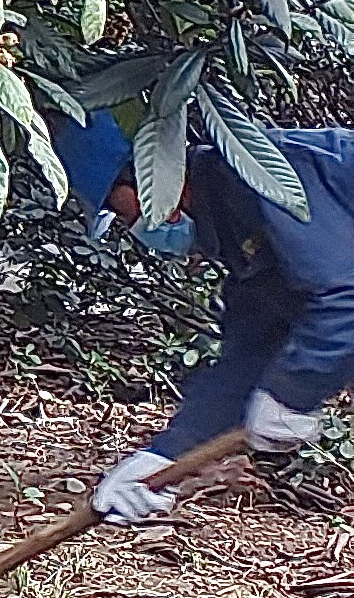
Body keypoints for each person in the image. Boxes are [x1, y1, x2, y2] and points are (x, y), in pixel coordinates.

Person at [89, 114, 354, 523]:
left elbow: (345, 297)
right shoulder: (240, 231)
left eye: (118, 211)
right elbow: (248, 360)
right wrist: (161, 460)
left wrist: (293, 390)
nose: (131, 227)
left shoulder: (268, 178)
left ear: (144, 176)